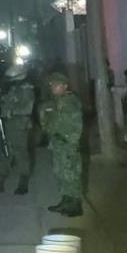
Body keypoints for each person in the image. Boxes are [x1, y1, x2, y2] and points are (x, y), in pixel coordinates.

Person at [0, 64, 35, 195]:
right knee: (6, 152)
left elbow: (27, 108)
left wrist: (10, 112)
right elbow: (7, 102)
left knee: (20, 153)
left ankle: (23, 184)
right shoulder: (14, 88)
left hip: (19, 125)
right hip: (9, 125)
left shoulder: (26, 89)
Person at [40, 71, 84, 217]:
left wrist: (72, 143)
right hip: (57, 142)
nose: (53, 87)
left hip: (67, 143)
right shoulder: (54, 101)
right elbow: (49, 120)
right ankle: (66, 201)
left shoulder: (70, 101)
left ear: (65, 86)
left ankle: (75, 205)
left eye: (57, 85)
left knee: (71, 175)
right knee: (61, 173)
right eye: (52, 85)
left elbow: (76, 125)